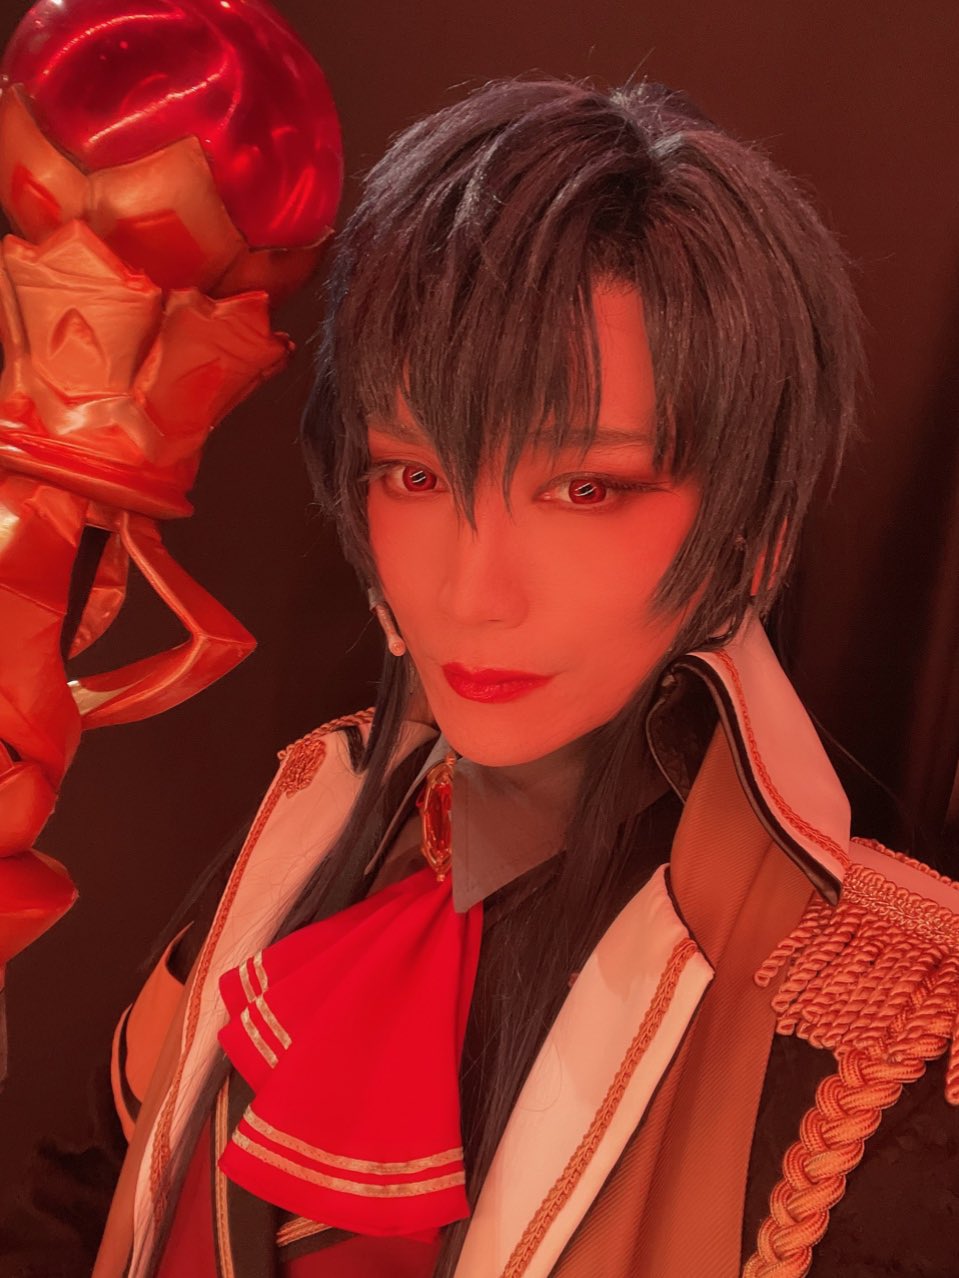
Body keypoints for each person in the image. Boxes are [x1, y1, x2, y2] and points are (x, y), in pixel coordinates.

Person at [7, 76, 958, 1278]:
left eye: (583, 489)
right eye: (414, 476)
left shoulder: (892, 1035)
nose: (472, 591)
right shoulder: (304, 828)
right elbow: (90, 1205)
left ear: (750, 532)